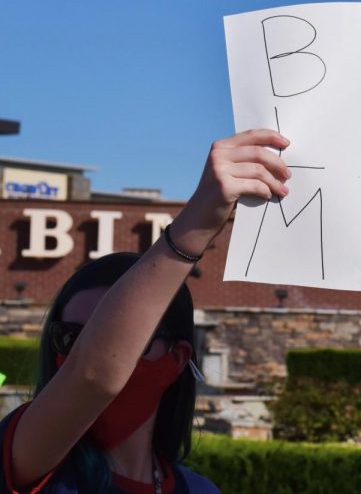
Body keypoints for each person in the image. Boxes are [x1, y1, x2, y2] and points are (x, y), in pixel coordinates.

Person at [0, 129, 292, 493]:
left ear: (176, 358)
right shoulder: (25, 458)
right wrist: (195, 225)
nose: (92, 350)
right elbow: (91, 376)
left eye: (125, 337)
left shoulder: (198, 490)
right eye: (70, 338)